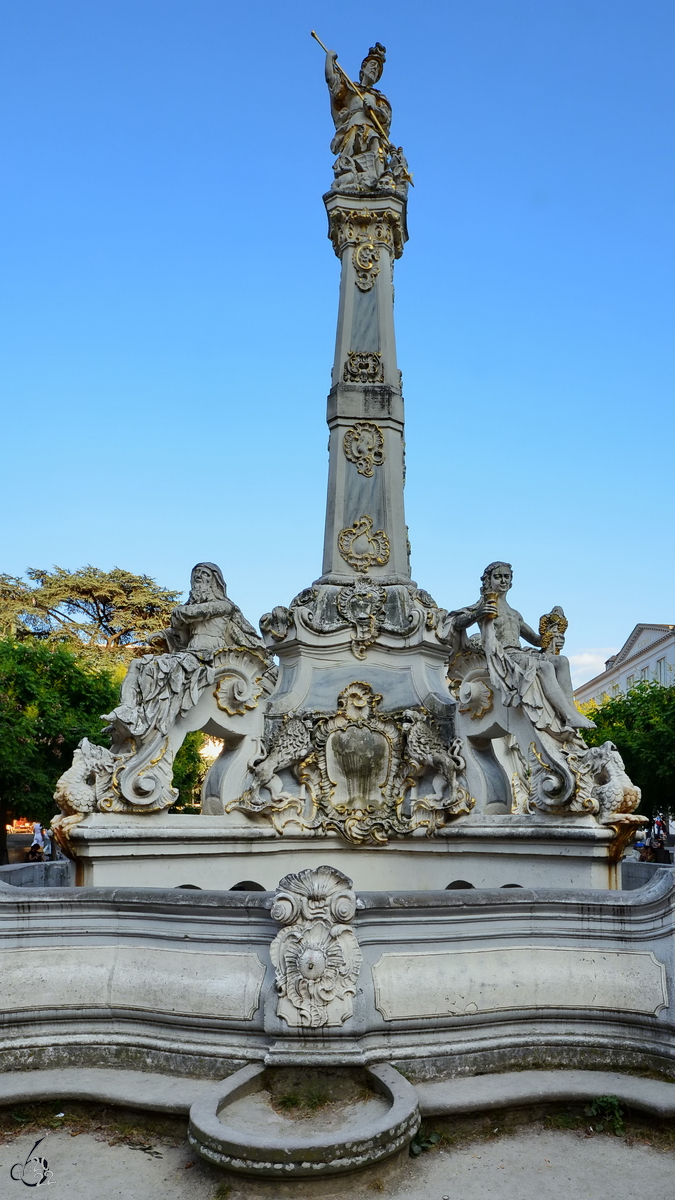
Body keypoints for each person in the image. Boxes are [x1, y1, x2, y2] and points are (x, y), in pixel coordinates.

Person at [448, 562, 595, 736]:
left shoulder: (515, 614)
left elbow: (537, 640)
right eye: (498, 576)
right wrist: (478, 613)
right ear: (488, 581)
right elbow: (457, 621)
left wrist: (553, 636)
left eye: (506, 577)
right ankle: (569, 715)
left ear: (511, 582)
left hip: (521, 652)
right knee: (544, 667)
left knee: (561, 661)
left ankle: (571, 713)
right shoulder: (484, 605)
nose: (503, 580)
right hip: (504, 655)